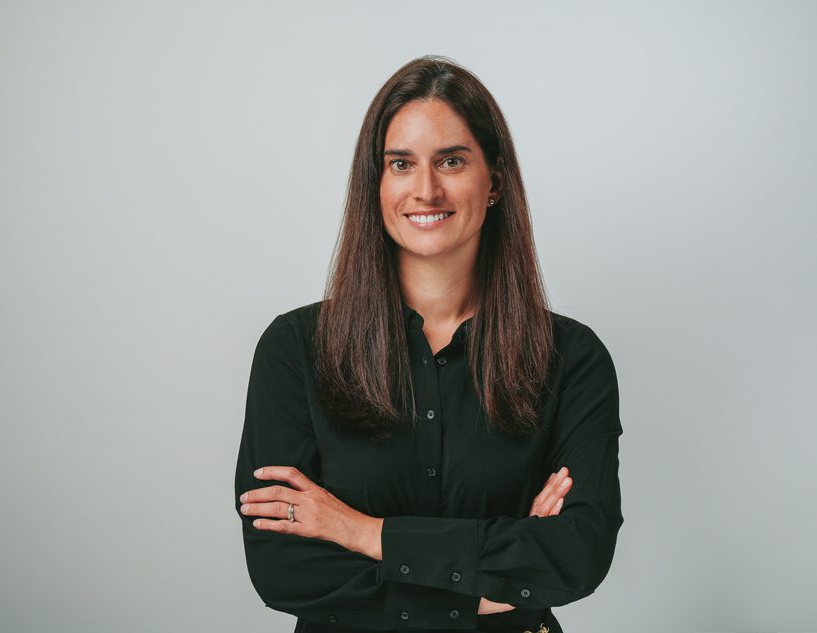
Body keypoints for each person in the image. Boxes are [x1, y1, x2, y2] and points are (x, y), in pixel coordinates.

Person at [234, 55, 623, 633]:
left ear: (494, 180)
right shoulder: (294, 350)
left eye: (452, 160)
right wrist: (497, 581)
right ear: (377, 183)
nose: (426, 189)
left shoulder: (572, 359)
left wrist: (358, 531)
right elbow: (284, 569)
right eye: (400, 163)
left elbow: (577, 554)